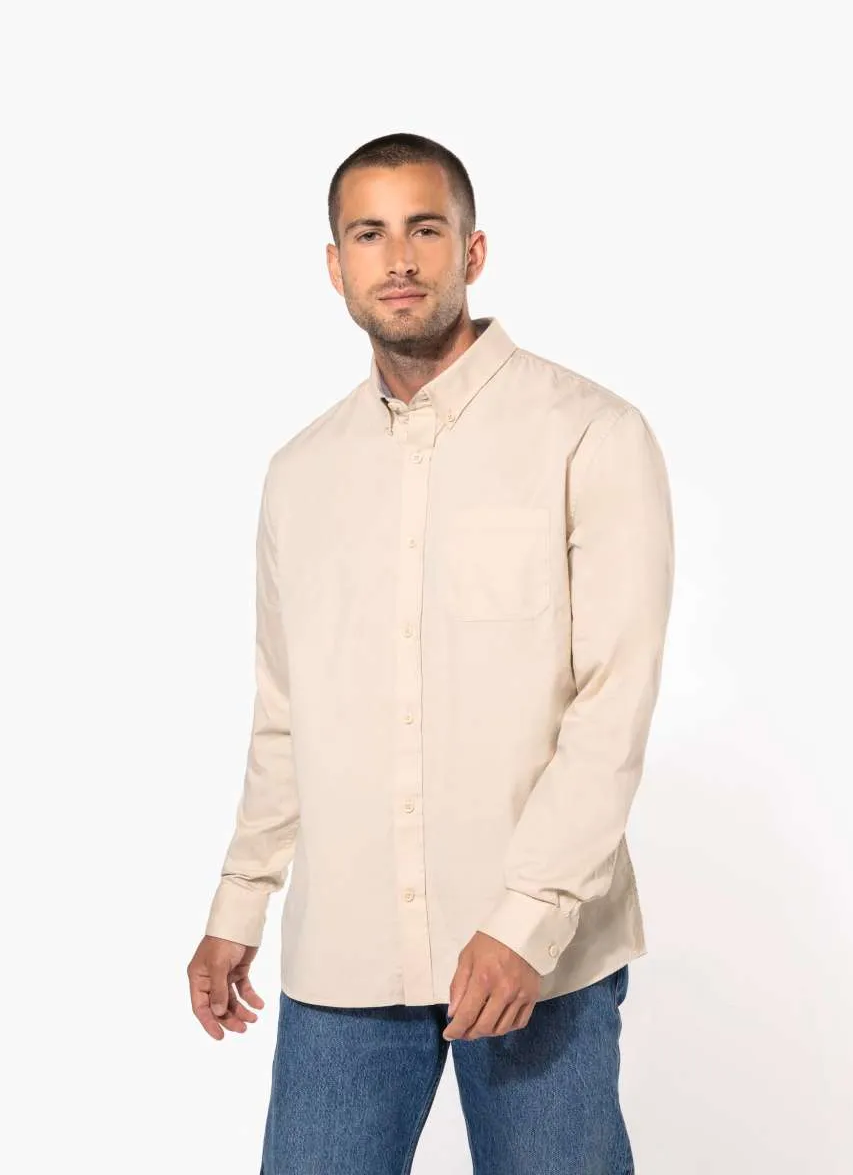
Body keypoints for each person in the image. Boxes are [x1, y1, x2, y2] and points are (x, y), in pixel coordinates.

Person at [186, 132, 675, 1174]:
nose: (398, 259)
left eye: (424, 229)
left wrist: (526, 919)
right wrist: (240, 899)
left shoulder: (589, 434)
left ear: (473, 250)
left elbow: (611, 703)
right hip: (345, 957)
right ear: (335, 265)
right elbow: (285, 710)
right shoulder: (299, 474)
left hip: (540, 960)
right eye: (368, 234)